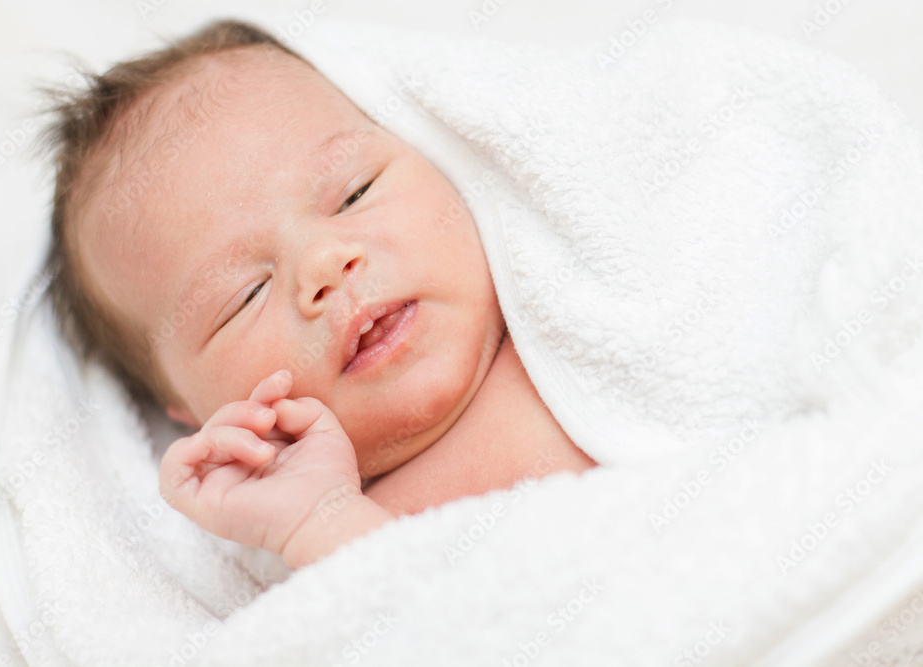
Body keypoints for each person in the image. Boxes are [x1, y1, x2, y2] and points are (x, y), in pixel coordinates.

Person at [42, 19, 594, 570]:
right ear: (195, 417)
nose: (324, 264)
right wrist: (322, 525)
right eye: (246, 296)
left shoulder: (589, 280)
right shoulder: (346, 533)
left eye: (354, 194)